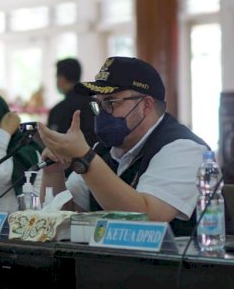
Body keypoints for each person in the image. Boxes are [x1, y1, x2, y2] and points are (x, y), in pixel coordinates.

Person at [38, 56, 210, 235]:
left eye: (111, 102)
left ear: (146, 105)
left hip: (182, 262)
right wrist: (54, 172)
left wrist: (85, 159)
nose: (103, 113)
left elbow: (147, 219)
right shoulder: (105, 150)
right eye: (98, 104)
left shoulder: (183, 149)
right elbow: (64, 216)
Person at [47, 58, 97, 147]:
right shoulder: (96, 103)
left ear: (61, 79)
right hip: (99, 158)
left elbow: (52, 144)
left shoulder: (58, 110)